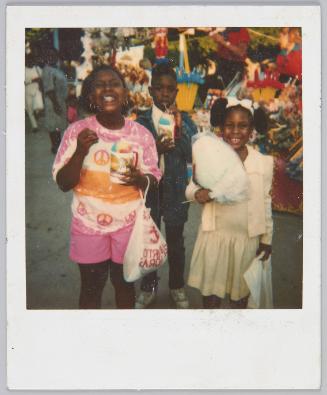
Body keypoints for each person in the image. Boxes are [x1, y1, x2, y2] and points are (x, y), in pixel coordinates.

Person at [52, 65, 161, 309]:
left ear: (124, 92)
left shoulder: (141, 135)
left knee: (124, 285)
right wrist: (80, 151)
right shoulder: (76, 132)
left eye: (114, 83)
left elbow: (153, 178)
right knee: (91, 287)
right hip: (88, 224)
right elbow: (63, 183)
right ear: (90, 96)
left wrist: (139, 179)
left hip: (128, 224)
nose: (108, 89)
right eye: (99, 85)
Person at [186, 98, 273, 309]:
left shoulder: (262, 162)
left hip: (246, 240)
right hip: (215, 236)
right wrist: (198, 194)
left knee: (240, 296)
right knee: (211, 294)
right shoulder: (211, 155)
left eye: (243, 126)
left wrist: (266, 239)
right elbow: (191, 187)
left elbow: (265, 201)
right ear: (221, 127)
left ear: (252, 129)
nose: (235, 131)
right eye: (229, 125)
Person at [135, 63, 198, 309]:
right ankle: (148, 287)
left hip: (174, 190)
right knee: (149, 240)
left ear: (176, 92)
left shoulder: (186, 120)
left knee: (175, 241)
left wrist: (179, 129)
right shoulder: (140, 121)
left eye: (170, 89)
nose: (164, 93)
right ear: (150, 91)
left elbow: (192, 153)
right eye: (159, 88)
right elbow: (135, 156)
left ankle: (176, 285)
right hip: (150, 192)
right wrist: (155, 149)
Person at [42, 48, 68, 153]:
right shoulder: (47, 70)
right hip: (53, 101)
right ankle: (55, 147)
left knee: (58, 124)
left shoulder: (57, 69)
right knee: (53, 125)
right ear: (46, 57)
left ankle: (58, 145)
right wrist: (56, 104)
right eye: (50, 55)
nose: (52, 57)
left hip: (60, 100)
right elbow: (49, 90)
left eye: (54, 55)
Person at [25, 53, 44, 133]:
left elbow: (43, 76)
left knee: (40, 106)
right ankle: (34, 126)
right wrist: (32, 80)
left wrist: (40, 79)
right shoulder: (22, 69)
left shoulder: (37, 68)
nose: (31, 62)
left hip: (37, 90)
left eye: (32, 60)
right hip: (27, 91)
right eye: (29, 60)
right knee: (29, 109)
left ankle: (36, 114)